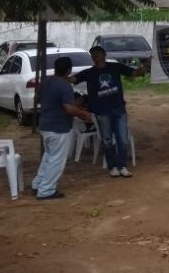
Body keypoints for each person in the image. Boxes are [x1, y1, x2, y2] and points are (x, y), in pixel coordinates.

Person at [71, 46, 148, 178]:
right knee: (106, 140)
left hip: (118, 109)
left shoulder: (115, 67)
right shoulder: (89, 73)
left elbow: (135, 73)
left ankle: (122, 166)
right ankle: (112, 167)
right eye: (93, 55)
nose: (95, 56)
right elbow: (73, 79)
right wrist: (57, 78)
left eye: (97, 54)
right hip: (102, 112)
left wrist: (145, 66)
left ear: (104, 55)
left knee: (122, 139)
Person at [32, 56, 95, 200]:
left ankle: (38, 184)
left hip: (45, 125)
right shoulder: (64, 85)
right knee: (56, 160)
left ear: (55, 68)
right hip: (58, 128)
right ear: (69, 70)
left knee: (48, 157)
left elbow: (37, 99)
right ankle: (46, 190)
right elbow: (68, 108)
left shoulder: (46, 81)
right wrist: (83, 114)